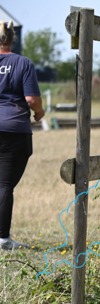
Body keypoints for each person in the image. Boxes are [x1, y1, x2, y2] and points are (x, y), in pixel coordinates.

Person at [0, 21, 44, 251]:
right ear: (12, 39)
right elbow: (31, 99)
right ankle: (3, 239)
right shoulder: (23, 63)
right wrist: (40, 112)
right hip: (13, 130)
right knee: (4, 184)